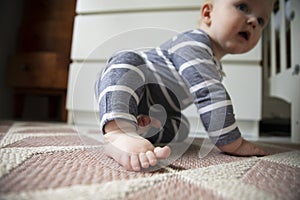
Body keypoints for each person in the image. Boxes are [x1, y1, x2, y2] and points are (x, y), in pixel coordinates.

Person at [95, 0, 275, 171]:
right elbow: (209, 93)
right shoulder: (194, 42)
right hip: (125, 86)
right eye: (242, 6)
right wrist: (233, 142)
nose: (253, 22)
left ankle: (140, 129)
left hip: (154, 110)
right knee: (127, 59)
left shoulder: (213, 64)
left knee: (180, 126)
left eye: (261, 21)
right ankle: (118, 132)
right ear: (207, 14)